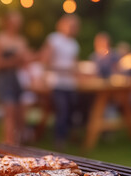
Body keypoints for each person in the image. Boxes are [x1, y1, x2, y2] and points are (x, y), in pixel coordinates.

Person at [41, 14, 80, 148]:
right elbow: (45, 62)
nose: (72, 28)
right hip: (57, 83)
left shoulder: (74, 44)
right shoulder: (54, 39)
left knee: (71, 112)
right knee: (61, 111)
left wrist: (77, 72)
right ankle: (59, 140)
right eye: (70, 25)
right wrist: (64, 69)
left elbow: (75, 64)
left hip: (70, 84)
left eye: (75, 26)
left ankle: (69, 137)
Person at [0, 11, 28, 145]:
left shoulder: (21, 40)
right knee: (9, 111)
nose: (16, 25)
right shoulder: (0, 39)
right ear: (8, 23)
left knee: (20, 112)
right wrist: (14, 60)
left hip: (17, 78)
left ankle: (18, 143)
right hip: (4, 78)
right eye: (14, 22)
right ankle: (8, 143)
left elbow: (26, 62)